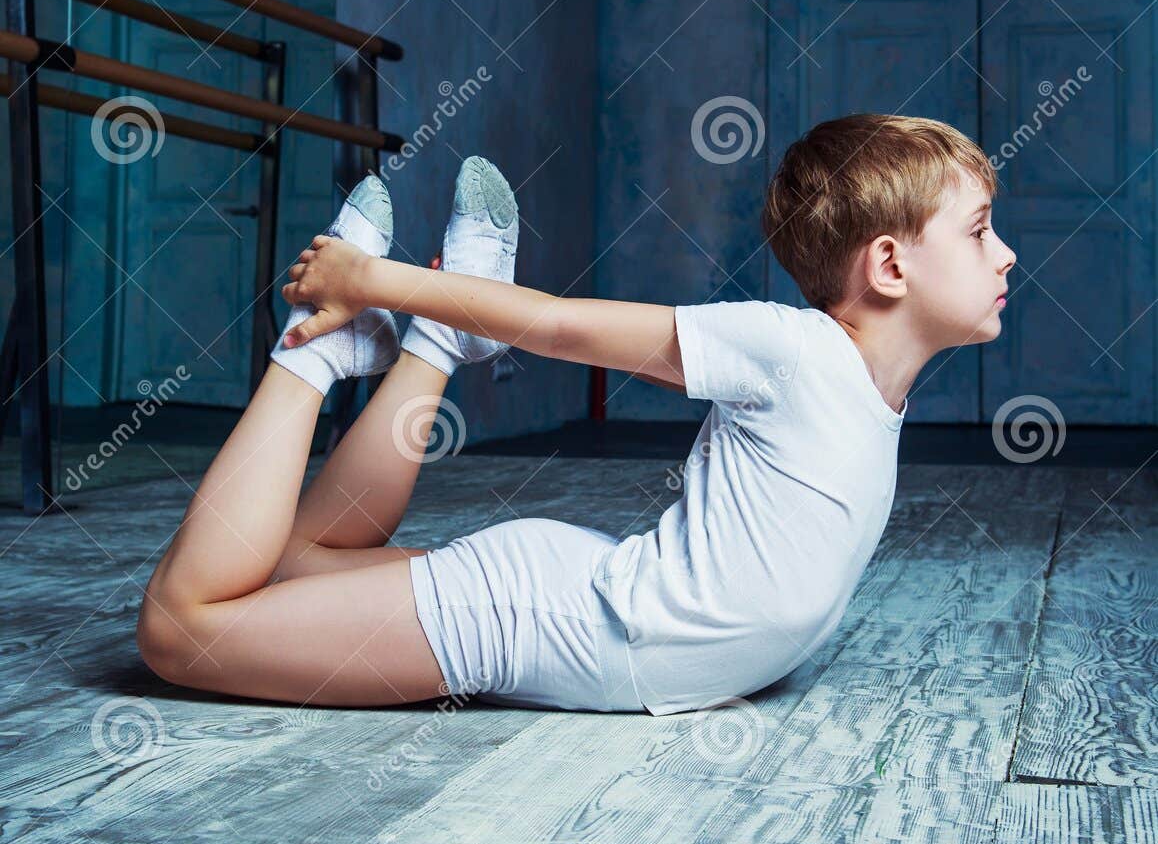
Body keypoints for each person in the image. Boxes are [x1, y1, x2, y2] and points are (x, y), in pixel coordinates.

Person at [136, 115, 1016, 717]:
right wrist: (365, 283)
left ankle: (432, 342)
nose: (1004, 252)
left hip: (585, 598)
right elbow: (556, 326)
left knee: (297, 564)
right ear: (891, 266)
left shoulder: (868, 386)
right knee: (181, 632)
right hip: (543, 619)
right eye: (979, 231)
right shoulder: (795, 349)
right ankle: (311, 353)